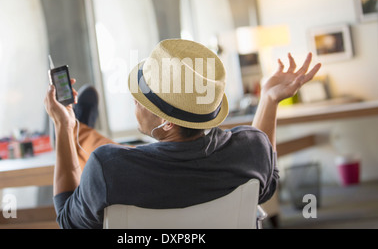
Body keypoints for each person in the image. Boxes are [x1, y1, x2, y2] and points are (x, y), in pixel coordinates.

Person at [44, 39, 321, 229]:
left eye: (142, 100)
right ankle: (84, 127)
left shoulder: (108, 167)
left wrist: (63, 127)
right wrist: (269, 100)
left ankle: (80, 127)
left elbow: (68, 221)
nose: (135, 102)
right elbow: (266, 178)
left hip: (117, 165)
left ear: (167, 123)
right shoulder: (251, 149)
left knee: (96, 142)